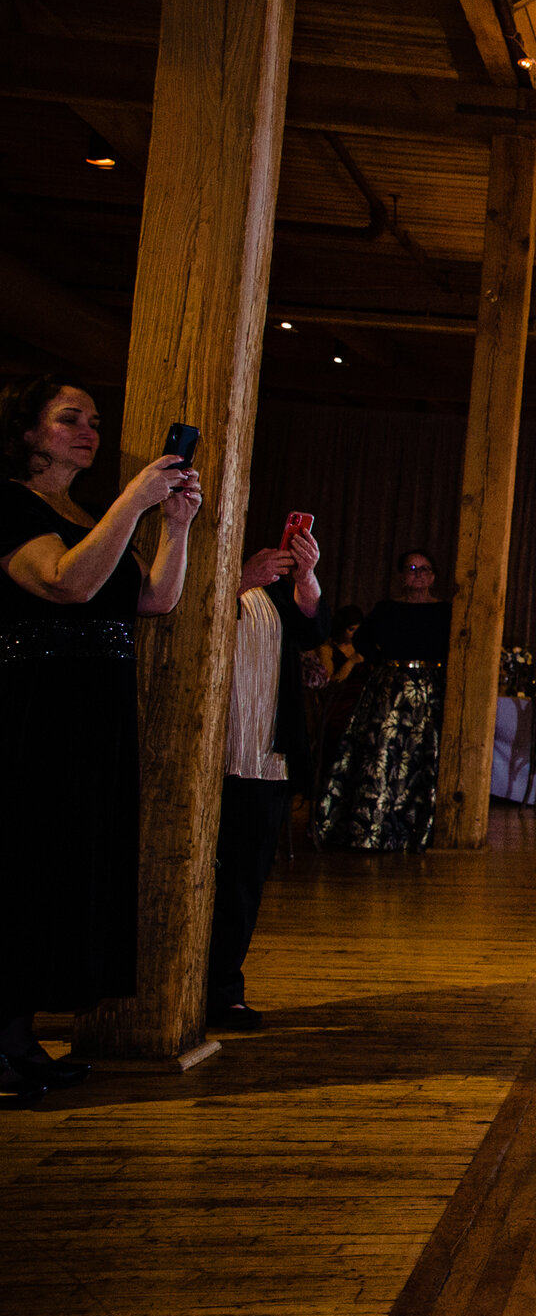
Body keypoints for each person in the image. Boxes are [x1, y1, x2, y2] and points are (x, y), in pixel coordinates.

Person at [0, 377, 200, 1101]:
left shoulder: (82, 512)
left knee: (65, 868)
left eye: (93, 420)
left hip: (95, 716)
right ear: (28, 434)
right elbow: (65, 583)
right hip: (34, 715)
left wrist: (174, 526)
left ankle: (18, 1037)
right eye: (68, 419)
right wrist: (133, 501)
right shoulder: (9, 505)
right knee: (22, 868)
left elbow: (154, 598)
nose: (88, 429)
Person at [211, 525, 327, 1032]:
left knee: (243, 877)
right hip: (205, 746)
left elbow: (313, 631)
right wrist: (237, 579)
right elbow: (170, 616)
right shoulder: (191, 567)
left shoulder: (274, 591)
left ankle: (223, 989)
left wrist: (308, 577)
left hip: (263, 752)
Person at [313, 547, 450, 850]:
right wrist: (383, 662)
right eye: (412, 569)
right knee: (382, 755)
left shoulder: (445, 611)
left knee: (422, 755)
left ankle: (418, 831)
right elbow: (363, 640)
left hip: (429, 692)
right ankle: (372, 828)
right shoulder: (387, 609)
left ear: (434, 576)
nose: (418, 575)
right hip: (390, 689)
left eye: (424, 569)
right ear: (402, 576)